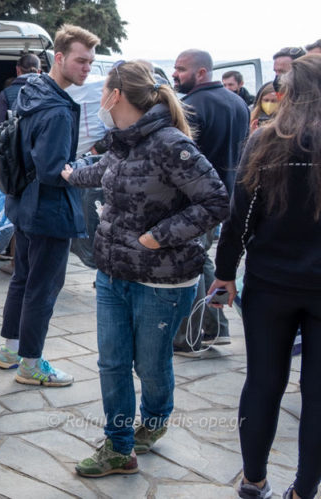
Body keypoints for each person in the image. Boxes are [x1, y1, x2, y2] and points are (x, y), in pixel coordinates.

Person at [61, 62, 228, 476]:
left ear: (115, 95)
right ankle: (119, 448)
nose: (99, 96)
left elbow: (216, 202)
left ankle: (153, 422)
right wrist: (69, 174)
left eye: (103, 90)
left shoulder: (170, 144)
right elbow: (105, 172)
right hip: (113, 273)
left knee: (150, 367)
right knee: (112, 363)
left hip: (162, 282)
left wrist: (158, 236)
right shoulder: (121, 142)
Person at [211, 55, 321, 499]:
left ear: (289, 92)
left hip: (270, 283)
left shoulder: (265, 142)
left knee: (262, 382)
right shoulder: (264, 140)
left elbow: (240, 219)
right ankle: (304, 490)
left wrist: (225, 273)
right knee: (317, 396)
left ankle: (253, 480)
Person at [0, 24, 97, 387]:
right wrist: (88, 164)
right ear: (59, 58)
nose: (87, 68)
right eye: (80, 60)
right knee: (43, 287)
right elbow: (55, 171)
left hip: (23, 204)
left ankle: (10, 350)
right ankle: (31, 364)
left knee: (23, 280)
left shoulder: (32, 91)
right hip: (49, 210)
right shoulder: (56, 110)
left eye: (91, 62)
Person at [170, 49, 250, 353]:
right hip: (226, 197)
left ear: (201, 73)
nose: (175, 75)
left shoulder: (188, 106)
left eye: (181, 69)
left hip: (195, 200)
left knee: (194, 260)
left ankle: (193, 334)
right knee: (203, 258)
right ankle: (217, 328)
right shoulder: (239, 103)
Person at [0, 52, 42, 176]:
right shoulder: (48, 92)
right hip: (39, 158)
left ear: (17, 70)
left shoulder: (7, 94)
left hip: (13, 160)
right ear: (39, 71)